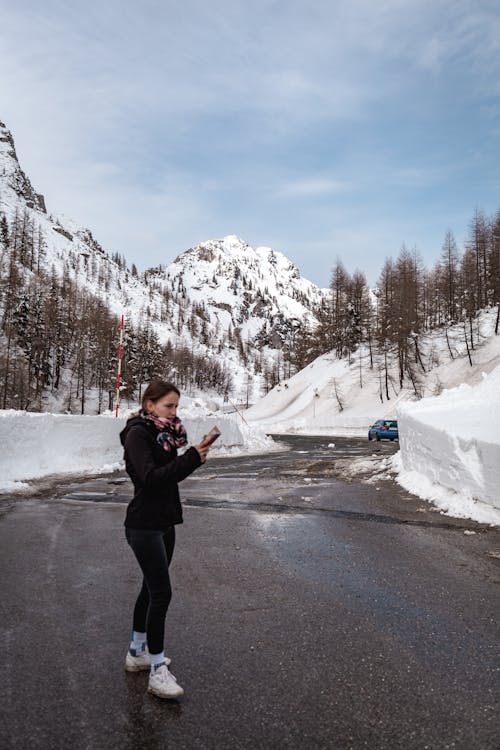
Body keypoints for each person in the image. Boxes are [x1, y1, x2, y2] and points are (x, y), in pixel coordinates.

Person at [120, 380, 211, 699]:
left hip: (164, 522)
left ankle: (137, 652)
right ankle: (157, 670)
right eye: (168, 406)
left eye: (176, 406)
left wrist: (191, 458)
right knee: (161, 593)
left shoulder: (164, 434)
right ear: (149, 405)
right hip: (143, 525)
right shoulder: (138, 434)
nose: (174, 412)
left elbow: (169, 473)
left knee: (149, 589)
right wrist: (188, 460)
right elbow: (150, 478)